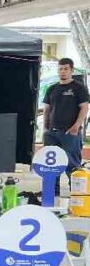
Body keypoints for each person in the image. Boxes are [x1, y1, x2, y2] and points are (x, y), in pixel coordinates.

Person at [42, 57, 88, 193]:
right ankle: (51, 191)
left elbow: (84, 108)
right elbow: (47, 109)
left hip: (70, 133)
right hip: (52, 133)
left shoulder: (79, 88)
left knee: (72, 164)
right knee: (50, 165)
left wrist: (76, 126)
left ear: (72, 70)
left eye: (66, 69)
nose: (63, 72)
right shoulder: (52, 88)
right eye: (60, 69)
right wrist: (45, 128)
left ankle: (76, 192)